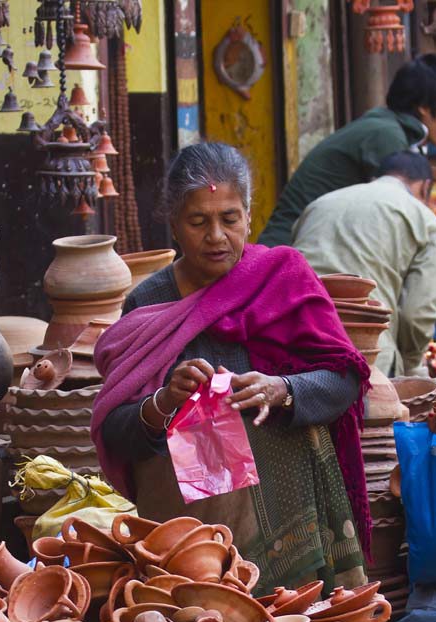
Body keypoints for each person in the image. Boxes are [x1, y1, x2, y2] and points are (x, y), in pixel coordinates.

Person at [91, 142, 370, 595]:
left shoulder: (284, 279)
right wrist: (165, 402)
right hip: (197, 523)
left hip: (293, 508)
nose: (216, 236)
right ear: (175, 226)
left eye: (229, 219)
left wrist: (282, 389)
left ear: (249, 215)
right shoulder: (149, 302)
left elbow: (344, 381)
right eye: (198, 222)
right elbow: (115, 430)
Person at [257, 54, 436, 247]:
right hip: (288, 252)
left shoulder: (390, 128)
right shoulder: (386, 135)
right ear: (424, 106)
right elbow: (406, 219)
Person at [291, 151, 436, 377]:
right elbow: (417, 313)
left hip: (296, 340)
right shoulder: (428, 223)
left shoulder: (318, 204)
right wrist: (411, 366)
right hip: (366, 352)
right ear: (425, 188)